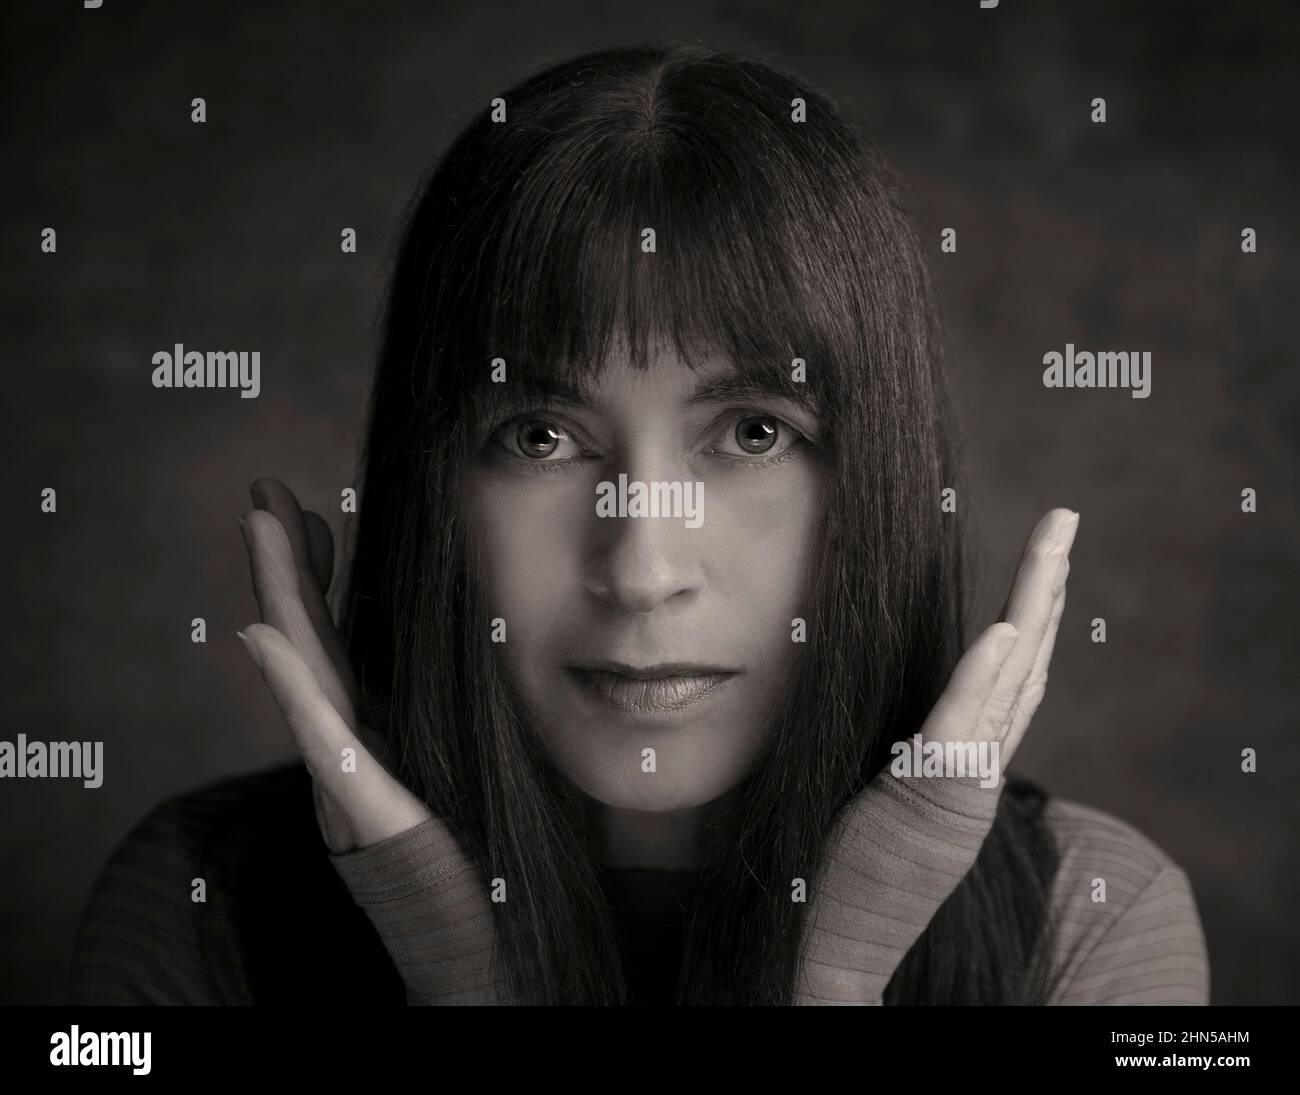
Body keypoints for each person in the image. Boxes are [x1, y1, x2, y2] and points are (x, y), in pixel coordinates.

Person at [69, 44, 1209, 1006]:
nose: (643, 568)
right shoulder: (194, 907)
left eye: (753, 434)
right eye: (540, 438)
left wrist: (839, 974)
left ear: (881, 478)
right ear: (431, 498)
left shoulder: (1094, 925)